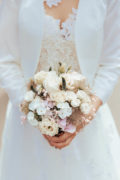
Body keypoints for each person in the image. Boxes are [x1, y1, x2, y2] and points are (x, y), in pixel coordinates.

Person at [0, 0, 120, 179]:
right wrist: (35, 113)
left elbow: (111, 62)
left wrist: (84, 115)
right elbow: (5, 59)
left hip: (89, 125)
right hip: (27, 128)